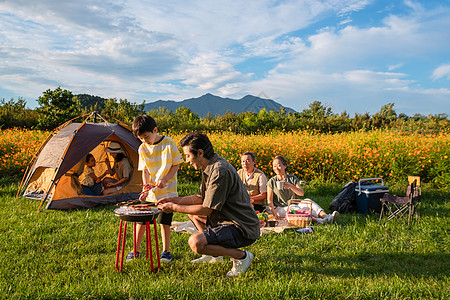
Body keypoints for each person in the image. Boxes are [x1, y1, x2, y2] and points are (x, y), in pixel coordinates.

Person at [157, 131, 260, 277]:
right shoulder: (209, 166)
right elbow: (199, 198)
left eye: (187, 156)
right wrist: (171, 199)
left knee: (196, 242)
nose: (186, 160)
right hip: (225, 219)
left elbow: (207, 209)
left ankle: (241, 256)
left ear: (200, 153)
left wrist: (174, 208)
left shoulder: (219, 170)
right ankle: (216, 256)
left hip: (241, 227)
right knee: (192, 213)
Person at [127, 115, 183, 263]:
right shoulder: (142, 148)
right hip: (152, 192)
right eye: (141, 138)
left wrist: (165, 179)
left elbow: (176, 164)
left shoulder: (169, 143)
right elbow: (144, 170)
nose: (144, 141)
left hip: (168, 190)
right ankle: (136, 250)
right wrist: (146, 189)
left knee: (164, 221)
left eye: (146, 137)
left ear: (155, 130)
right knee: (142, 221)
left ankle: (166, 251)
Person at [267, 155, 339, 224]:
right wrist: (274, 214)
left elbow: (301, 193)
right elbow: (269, 201)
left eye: (279, 165)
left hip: (295, 203)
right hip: (281, 208)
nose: (276, 168)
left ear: (285, 166)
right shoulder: (271, 181)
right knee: (294, 209)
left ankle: (328, 217)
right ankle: (318, 220)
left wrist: (291, 186)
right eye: (274, 166)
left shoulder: (292, 178)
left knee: (308, 201)